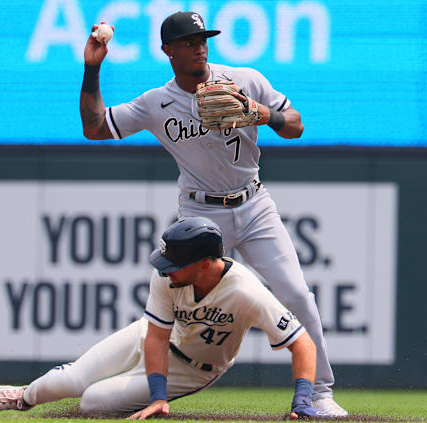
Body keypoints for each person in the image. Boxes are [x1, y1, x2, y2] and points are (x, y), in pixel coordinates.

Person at [77, 11, 347, 417]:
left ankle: (320, 393)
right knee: (177, 305)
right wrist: (92, 69)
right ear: (168, 51)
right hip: (201, 215)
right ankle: (150, 384)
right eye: (188, 41)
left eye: (203, 38)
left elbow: (296, 125)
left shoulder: (245, 79)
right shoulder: (157, 103)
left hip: (254, 205)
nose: (199, 46)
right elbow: (95, 127)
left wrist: (264, 114)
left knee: (296, 295)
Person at [0, 217, 326, 419]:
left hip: (194, 369)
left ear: (205, 263)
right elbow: (155, 336)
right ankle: (22, 397)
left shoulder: (246, 291)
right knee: (72, 380)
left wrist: (302, 399)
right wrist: (158, 395)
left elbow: (302, 343)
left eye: (175, 264)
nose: (166, 271)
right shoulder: (166, 278)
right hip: (151, 337)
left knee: (93, 402)